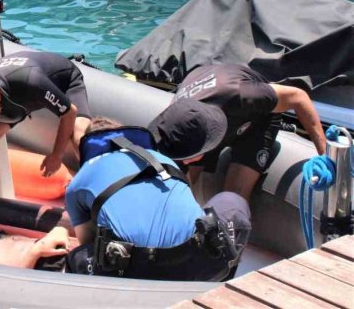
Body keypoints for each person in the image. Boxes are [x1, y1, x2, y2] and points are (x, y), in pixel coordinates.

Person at [65, 113, 250, 281]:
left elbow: (88, 241)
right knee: (233, 202)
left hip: (138, 275)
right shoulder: (163, 160)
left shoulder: (79, 182)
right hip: (199, 264)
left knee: (78, 255)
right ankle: (221, 287)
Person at [149, 63, 327, 200]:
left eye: (188, 156)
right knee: (181, 186)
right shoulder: (176, 117)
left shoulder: (241, 95)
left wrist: (325, 154)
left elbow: (298, 97)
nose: (186, 160)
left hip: (256, 119)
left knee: (234, 196)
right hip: (203, 121)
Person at [0, 51, 89, 213]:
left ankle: (91, 200)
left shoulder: (31, 81)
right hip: (15, 104)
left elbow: (69, 112)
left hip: (63, 81)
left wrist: (56, 155)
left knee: (80, 136)